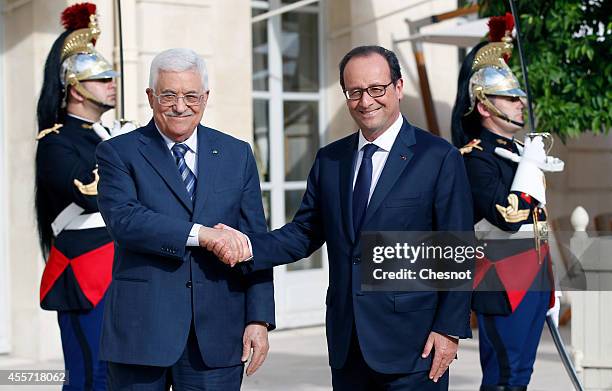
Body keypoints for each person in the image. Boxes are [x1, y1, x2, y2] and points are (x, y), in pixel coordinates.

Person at [213, 45, 473, 390]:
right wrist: (245, 247)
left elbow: (456, 250)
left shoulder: (438, 157)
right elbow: (303, 233)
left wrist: (448, 329)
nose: (366, 101)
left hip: (415, 345)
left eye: (376, 89)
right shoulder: (330, 160)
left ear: (398, 87)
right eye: (355, 92)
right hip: (347, 343)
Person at [95, 48, 275, 390]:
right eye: (169, 95)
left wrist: (259, 318)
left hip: (219, 333)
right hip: (141, 333)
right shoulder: (119, 153)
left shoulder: (237, 154)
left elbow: (255, 241)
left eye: (191, 95)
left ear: (205, 98)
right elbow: (125, 221)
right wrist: (201, 235)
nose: (181, 106)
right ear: (150, 97)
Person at [450, 15, 563, 391]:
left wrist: (549, 279)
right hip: (502, 281)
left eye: (519, 97)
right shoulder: (474, 157)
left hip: (533, 276)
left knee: (522, 377)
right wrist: (530, 166)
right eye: (510, 98)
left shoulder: (517, 150)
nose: (521, 104)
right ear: (484, 106)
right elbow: (508, 216)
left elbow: (539, 222)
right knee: (504, 378)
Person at [35, 3, 134, 390]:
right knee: (90, 375)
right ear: (74, 88)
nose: (113, 83)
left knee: (121, 375)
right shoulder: (56, 142)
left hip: (123, 267)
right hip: (86, 270)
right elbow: (93, 196)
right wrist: (126, 151)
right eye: (102, 78)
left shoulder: (111, 135)